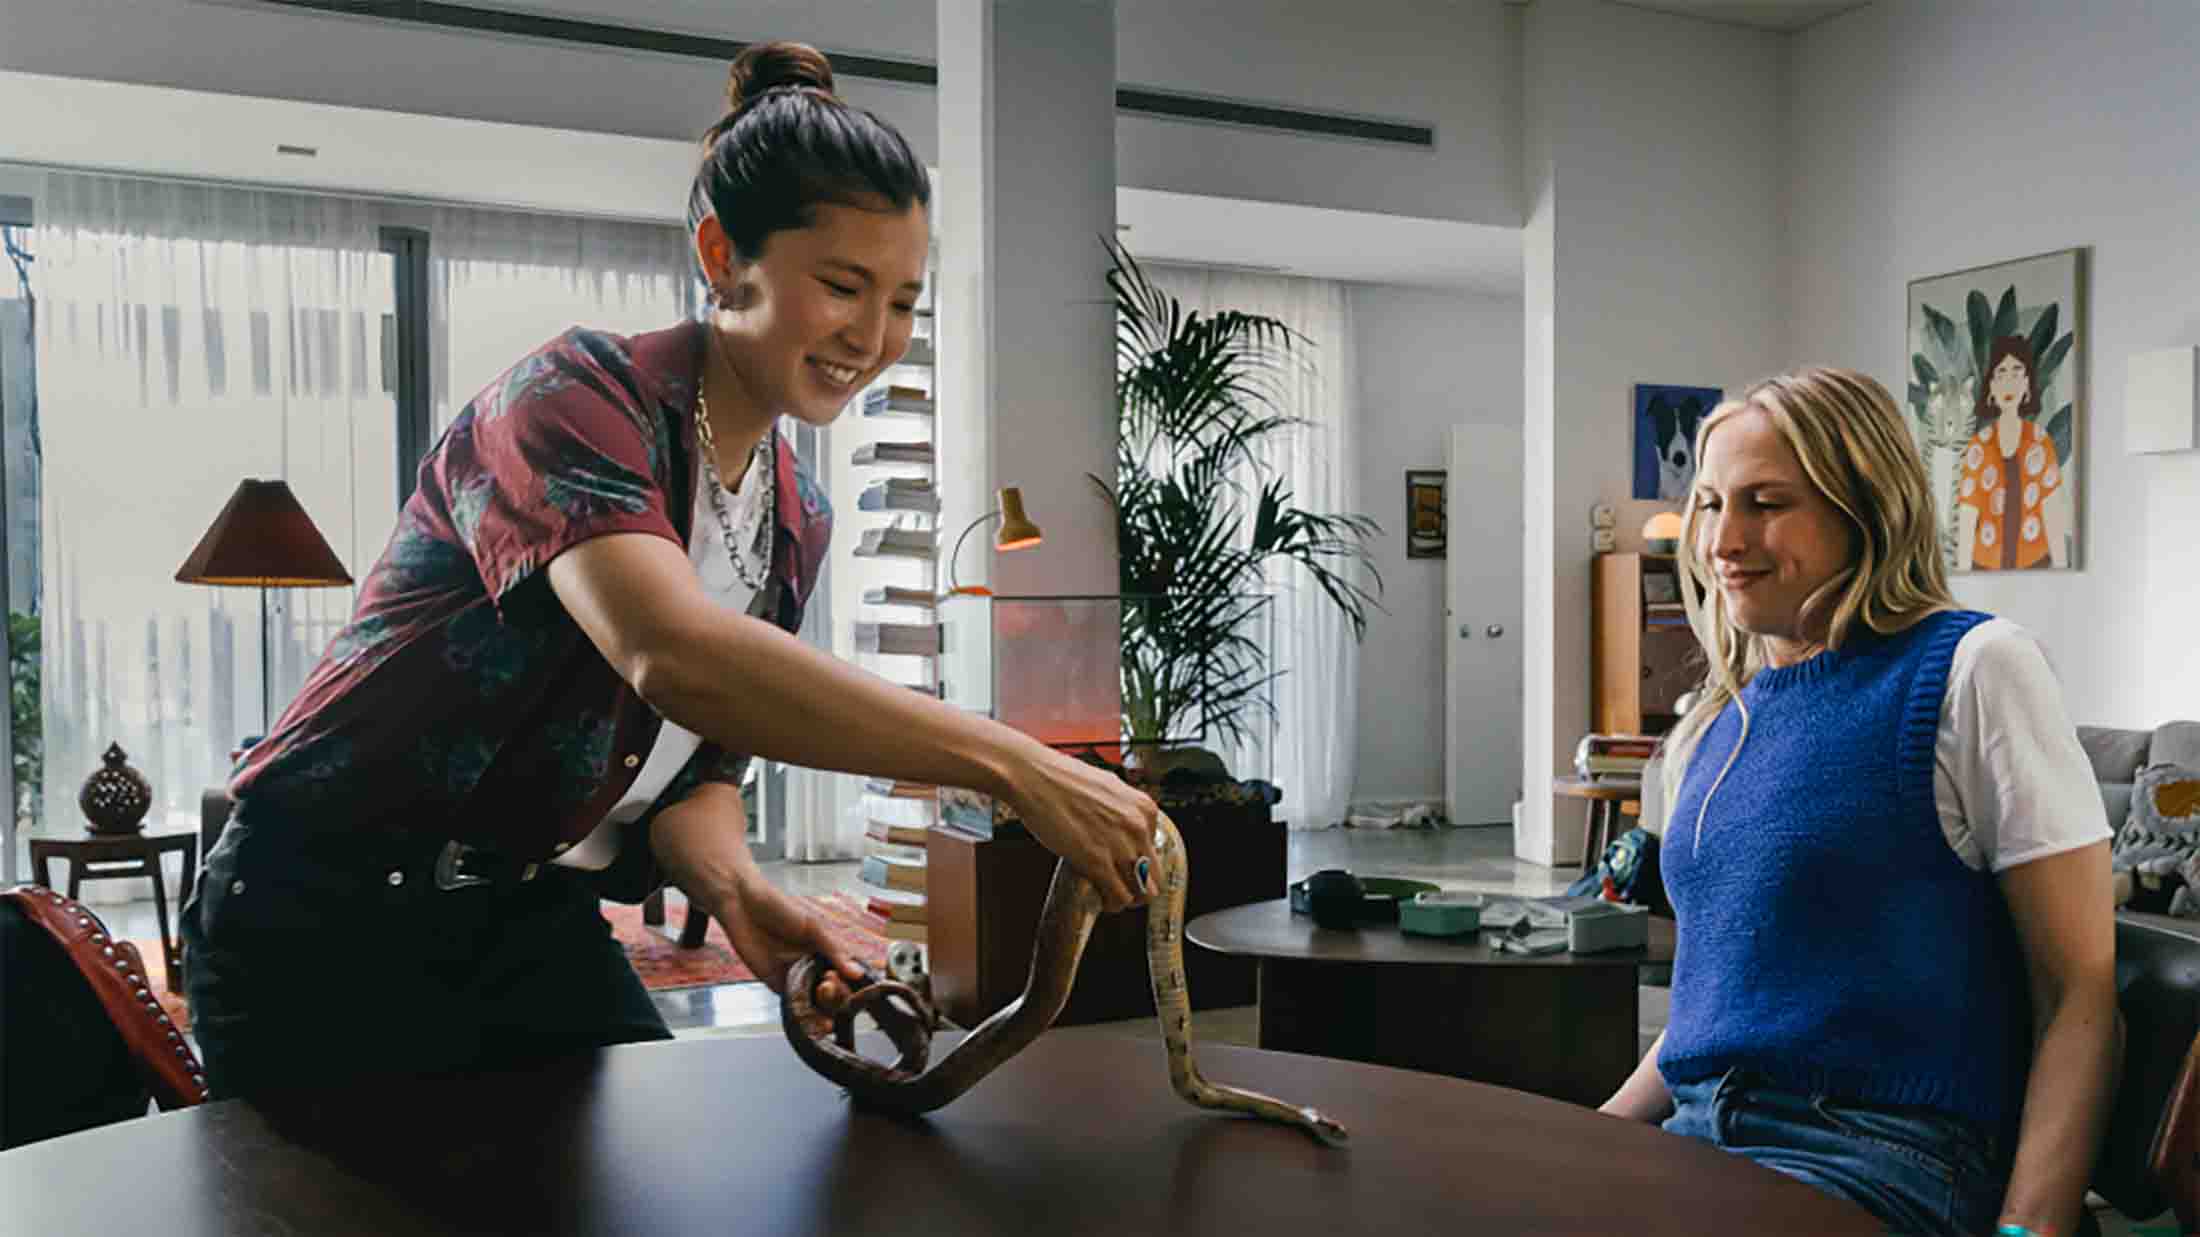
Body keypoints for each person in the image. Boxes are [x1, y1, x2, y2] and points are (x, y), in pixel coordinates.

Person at [181, 41, 1160, 1102]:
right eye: (841, 285)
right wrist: (1013, 763)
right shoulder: (572, 395)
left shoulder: (799, 514)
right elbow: (672, 655)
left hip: (529, 920)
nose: (871, 337)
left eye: (902, 302)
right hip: (320, 914)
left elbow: (695, 768)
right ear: (720, 252)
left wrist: (742, 895)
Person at [1598, 368, 2118, 1237]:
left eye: (1766, 502)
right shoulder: (1718, 723)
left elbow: (2078, 994)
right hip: (1698, 1138)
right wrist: (1586, 1134)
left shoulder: (1973, 669)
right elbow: (1711, 1009)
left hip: (1882, 1156)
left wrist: (2029, 1232)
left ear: (1865, 509)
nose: (1725, 538)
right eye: (1712, 503)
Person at [1955, 335, 2072, 570]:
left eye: (2017, 372)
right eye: (2001, 373)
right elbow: (1968, 515)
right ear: (1991, 387)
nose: (2008, 383)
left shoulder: (2039, 441)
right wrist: (1962, 573)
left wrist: (2061, 567)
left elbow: (2052, 509)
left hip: (2036, 564)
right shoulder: (1979, 445)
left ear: (2027, 384)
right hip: (1984, 567)